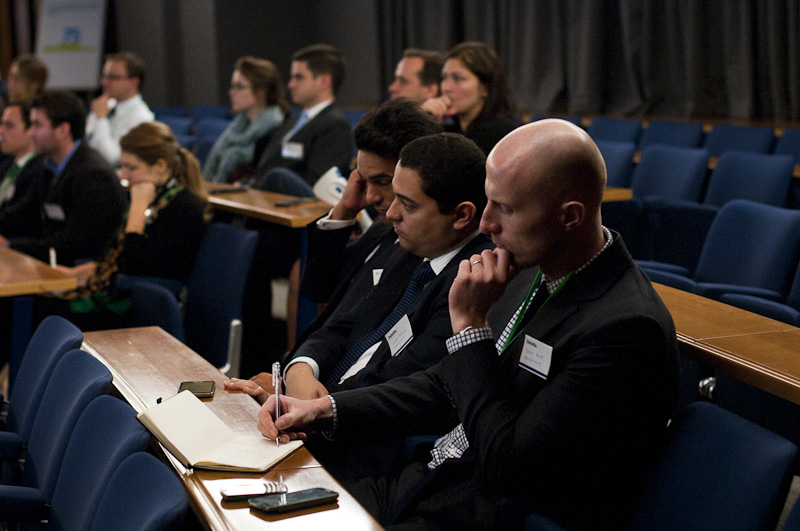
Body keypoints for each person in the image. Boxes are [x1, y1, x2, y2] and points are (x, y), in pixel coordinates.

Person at [255, 119, 680, 530]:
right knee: (253, 501)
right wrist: (324, 410)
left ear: (570, 217)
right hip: (426, 484)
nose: (486, 223)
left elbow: (508, 465)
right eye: (489, 201)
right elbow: (445, 384)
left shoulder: (624, 329)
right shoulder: (534, 268)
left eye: (506, 209)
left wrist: (470, 329)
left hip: (484, 514)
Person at [37, 121, 208, 330]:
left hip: (141, 310)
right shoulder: (155, 197)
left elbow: (132, 266)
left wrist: (138, 207)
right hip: (123, 297)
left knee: (45, 311)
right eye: (122, 166)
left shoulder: (184, 207)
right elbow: (118, 261)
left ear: (160, 166)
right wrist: (78, 274)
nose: (124, 175)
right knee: (39, 301)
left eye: (131, 168)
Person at [0, 90, 126, 265]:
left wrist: (10, 246)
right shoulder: (48, 165)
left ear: (63, 130)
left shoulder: (94, 177)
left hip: (78, 271)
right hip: (52, 264)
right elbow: (22, 215)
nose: (30, 133)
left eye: (37, 125)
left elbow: (74, 245)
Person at [244, 43, 355, 190]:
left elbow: (313, 184)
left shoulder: (336, 126)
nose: (291, 84)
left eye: (299, 77)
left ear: (324, 82)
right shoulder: (295, 120)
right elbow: (267, 165)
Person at [422, 42, 519, 155]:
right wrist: (423, 119)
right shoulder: (449, 127)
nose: (446, 88)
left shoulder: (500, 132)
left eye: (457, 78)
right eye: (444, 78)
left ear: (485, 88)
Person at [203, 56, 289, 183]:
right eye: (232, 86)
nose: (231, 92)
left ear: (261, 91)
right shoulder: (238, 127)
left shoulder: (277, 130)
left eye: (239, 86)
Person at [85, 52, 155, 165]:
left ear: (133, 82)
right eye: (104, 76)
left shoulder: (142, 119)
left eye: (113, 77)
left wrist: (101, 119)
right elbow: (87, 143)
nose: (104, 82)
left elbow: (113, 159)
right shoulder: (105, 105)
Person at [0, 100, 45, 222]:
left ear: (30, 130)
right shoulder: (6, 164)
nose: (1, 131)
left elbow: (20, 217)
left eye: (9, 126)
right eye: (1, 124)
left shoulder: (39, 171)